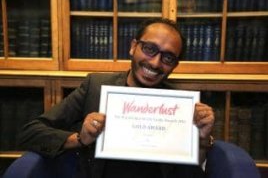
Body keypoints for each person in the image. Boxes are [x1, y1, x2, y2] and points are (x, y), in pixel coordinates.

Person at [19, 18, 215, 178]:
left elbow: (190, 174)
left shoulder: (181, 107)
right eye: (149, 49)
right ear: (133, 47)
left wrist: (201, 141)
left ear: (174, 65)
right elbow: (30, 133)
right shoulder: (94, 87)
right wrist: (80, 138)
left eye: (168, 58)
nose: (155, 63)